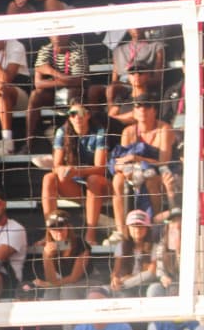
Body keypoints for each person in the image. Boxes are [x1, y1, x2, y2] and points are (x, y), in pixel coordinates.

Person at [39, 101, 111, 247]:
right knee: (49, 178)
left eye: (81, 113)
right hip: (75, 186)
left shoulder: (99, 132)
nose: (77, 117)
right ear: (69, 117)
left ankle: (90, 235)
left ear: (88, 115)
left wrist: (75, 171)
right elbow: (57, 165)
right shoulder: (62, 131)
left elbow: (101, 168)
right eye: (73, 114)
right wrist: (61, 171)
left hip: (100, 186)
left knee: (93, 179)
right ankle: (50, 233)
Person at [109, 100, 173, 242]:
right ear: (134, 111)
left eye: (147, 105)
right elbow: (124, 161)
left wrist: (137, 158)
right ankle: (122, 231)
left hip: (159, 171)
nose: (142, 109)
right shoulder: (128, 131)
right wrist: (127, 168)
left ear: (154, 110)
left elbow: (164, 163)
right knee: (118, 180)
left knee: (151, 176)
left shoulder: (164, 129)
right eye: (138, 106)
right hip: (135, 171)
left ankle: (154, 226)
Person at [25, 33, 88, 150]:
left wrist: (50, 72)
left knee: (73, 93)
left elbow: (78, 81)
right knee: (35, 95)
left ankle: (68, 140)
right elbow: (38, 84)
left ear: (68, 35)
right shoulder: (45, 50)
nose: (57, 37)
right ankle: (30, 142)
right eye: (53, 34)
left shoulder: (78, 50)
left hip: (74, 92)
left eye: (60, 34)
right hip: (53, 92)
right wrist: (61, 76)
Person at [28, 211, 91, 301]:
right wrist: (47, 257)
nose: (58, 232)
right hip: (64, 282)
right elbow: (51, 279)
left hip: (88, 281)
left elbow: (74, 278)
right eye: (54, 229)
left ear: (68, 227)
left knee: (68, 289)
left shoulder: (80, 244)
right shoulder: (49, 247)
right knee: (52, 291)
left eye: (61, 228)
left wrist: (50, 284)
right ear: (49, 230)